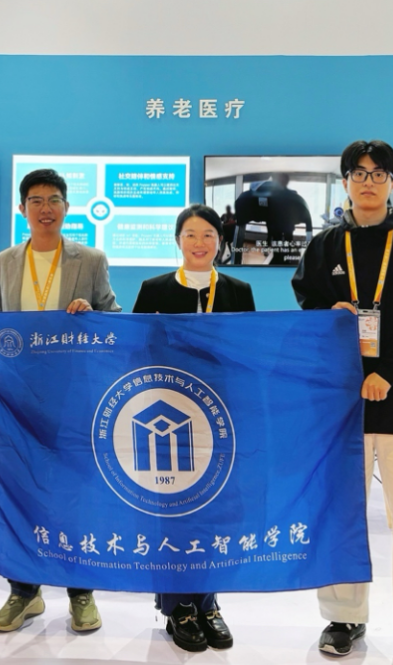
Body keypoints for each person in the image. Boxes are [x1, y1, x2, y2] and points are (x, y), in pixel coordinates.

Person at [291, 140, 393, 665]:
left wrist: (389, 372)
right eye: (358, 173)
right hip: (342, 406)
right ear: (344, 181)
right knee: (341, 516)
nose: (367, 182)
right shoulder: (323, 246)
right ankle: (344, 618)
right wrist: (327, 311)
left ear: (392, 183)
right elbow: (308, 307)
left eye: (378, 173)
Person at [0, 167, 121, 633]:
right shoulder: (3, 262)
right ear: (22, 209)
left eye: (54, 200)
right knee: (22, 491)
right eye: (37, 201)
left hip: (75, 397)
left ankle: (81, 592)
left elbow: (114, 317)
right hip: (19, 399)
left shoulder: (90, 259)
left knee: (76, 492)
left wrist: (92, 314)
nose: (46, 209)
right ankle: (24, 590)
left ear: (66, 208)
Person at [132, 204, 253, 652]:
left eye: (207, 235)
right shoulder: (154, 289)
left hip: (219, 419)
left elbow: (249, 352)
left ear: (220, 241)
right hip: (166, 417)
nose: (199, 243)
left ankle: (208, 602)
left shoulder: (238, 290)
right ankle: (177, 606)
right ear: (177, 240)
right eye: (190, 234)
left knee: (213, 509)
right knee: (173, 509)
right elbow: (136, 348)